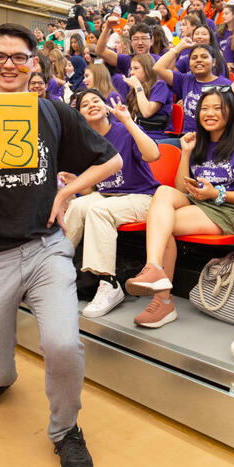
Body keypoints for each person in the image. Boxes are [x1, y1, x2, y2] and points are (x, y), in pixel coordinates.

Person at [0, 23, 122, 467]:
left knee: (63, 344)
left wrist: (69, 194)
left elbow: (112, 161)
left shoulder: (54, 113)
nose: (8, 66)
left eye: (19, 57)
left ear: (33, 64)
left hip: (46, 251)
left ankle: (65, 429)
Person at [124, 88, 234, 327]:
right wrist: (186, 155)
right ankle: (154, 269)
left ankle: (162, 300)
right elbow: (181, 188)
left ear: (231, 112)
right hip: (198, 201)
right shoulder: (198, 142)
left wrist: (216, 192)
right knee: (164, 192)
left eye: (217, 108)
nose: (209, 113)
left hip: (227, 210)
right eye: (205, 108)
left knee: (162, 225)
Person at [63, 90, 161, 318]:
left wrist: (127, 120)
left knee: (98, 210)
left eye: (96, 101)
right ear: (80, 114)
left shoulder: (124, 130)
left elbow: (153, 154)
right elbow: (91, 189)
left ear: (106, 106)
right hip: (108, 196)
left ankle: (109, 285)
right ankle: (58, 268)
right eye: (85, 104)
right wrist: (76, 182)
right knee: (78, 206)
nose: (91, 105)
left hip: (143, 198)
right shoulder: (85, 142)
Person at [154, 43, 227, 136]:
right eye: (194, 58)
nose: (199, 60)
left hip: (212, 138)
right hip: (187, 137)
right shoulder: (184, 80)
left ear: (214, 62)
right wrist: (178, 47)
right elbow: (157, 68)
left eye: (204, 57)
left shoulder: (223, 84)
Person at [121, 53, 172, 138]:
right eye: (131, 69)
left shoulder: (160, 85)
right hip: (140, 132)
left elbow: (146, 112)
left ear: (147, 69)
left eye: (136, 68)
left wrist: (137, 86)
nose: (132, 73)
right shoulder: (137, 88)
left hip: (156, 134)